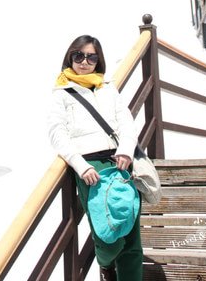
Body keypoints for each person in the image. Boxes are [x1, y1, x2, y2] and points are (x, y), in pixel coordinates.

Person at [48, 35, 142, 281]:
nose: (84, 62)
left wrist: (126, 149)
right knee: (107, 237)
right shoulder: (62, 93)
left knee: (131, 237)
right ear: (70, 57)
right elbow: (57, 134)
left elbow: (126, 122)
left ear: (98, 61)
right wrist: (80, 166)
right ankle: (106, 263)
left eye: (91, 57)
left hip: (120, 162)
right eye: (79, 56)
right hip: (92, 170)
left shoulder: (107, 87)